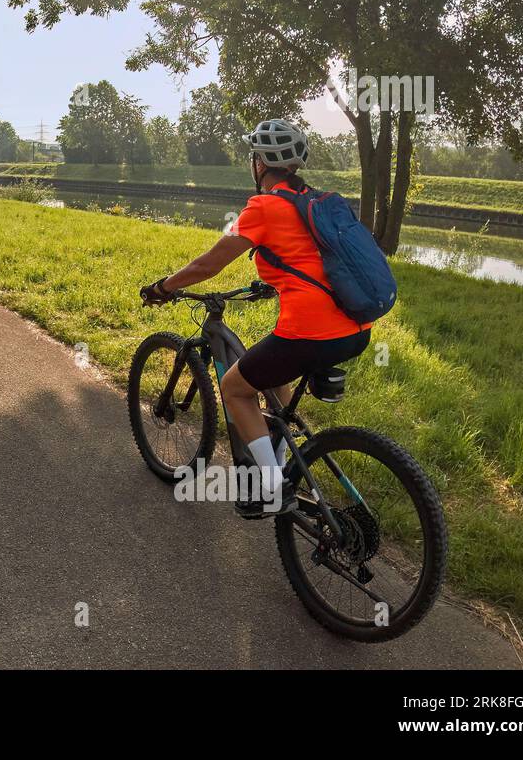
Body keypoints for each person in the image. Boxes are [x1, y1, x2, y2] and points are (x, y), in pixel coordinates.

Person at [142, 120, 372, 517]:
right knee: (274, 376)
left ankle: (271, 485)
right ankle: (280, 461)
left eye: (254, 157)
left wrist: (164, 287)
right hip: (356, 328)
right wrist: (272, 281)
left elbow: (208, 264)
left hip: (310, 333)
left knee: (234, 389)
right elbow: (313, 259)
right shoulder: (319, 201)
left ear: (261, 163)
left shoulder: (264, 207)